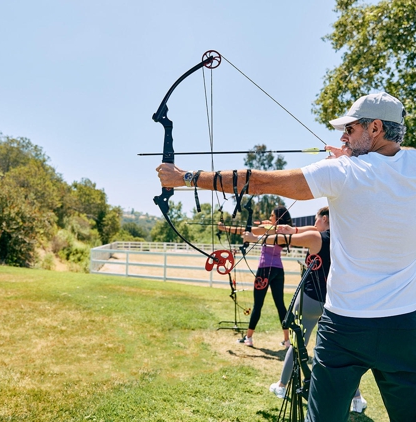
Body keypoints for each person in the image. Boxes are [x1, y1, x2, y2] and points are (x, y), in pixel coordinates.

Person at [156, 92, 416, 422]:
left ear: (375, 127)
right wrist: (352, 158)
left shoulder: (342, 172)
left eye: (350, 130)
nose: (342, 137)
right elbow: (388, 171)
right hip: (406, 325)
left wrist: (185, 178)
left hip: (345, 329)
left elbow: (260, 181)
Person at [243, 207, 366, 413]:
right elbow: (295, 231)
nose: (315, 222)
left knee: (298, 343)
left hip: (310, 300)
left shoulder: (316, 237)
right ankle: (356, 400)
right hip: (335, 301)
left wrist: (253, 237)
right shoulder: (346, 238)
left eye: (317, 219)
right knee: (342, 351)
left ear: (325, 219)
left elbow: (281, 239)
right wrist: (282, 228)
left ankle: (282, 386)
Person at [218, 206, 292, 348]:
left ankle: (249, 338)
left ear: (277, 218)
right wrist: (268, 225)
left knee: (258, 304)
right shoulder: (284, 231)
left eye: (272, 216)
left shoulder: (268, 229)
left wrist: (224, 228)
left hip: (264, 270)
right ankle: (287, 340)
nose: (270, 218)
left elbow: (245, 230)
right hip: (278, 270)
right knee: (280, 305)